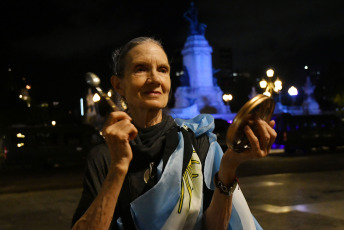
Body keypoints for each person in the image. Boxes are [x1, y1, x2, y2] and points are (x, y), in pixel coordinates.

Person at [71, 37, 277, 230]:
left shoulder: (197, 140)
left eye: (162, 70)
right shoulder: (103, 156)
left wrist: (229, 166)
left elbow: (214, 227)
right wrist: (118, 166)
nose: (154, 79)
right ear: (119, 85)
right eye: (140, 69)